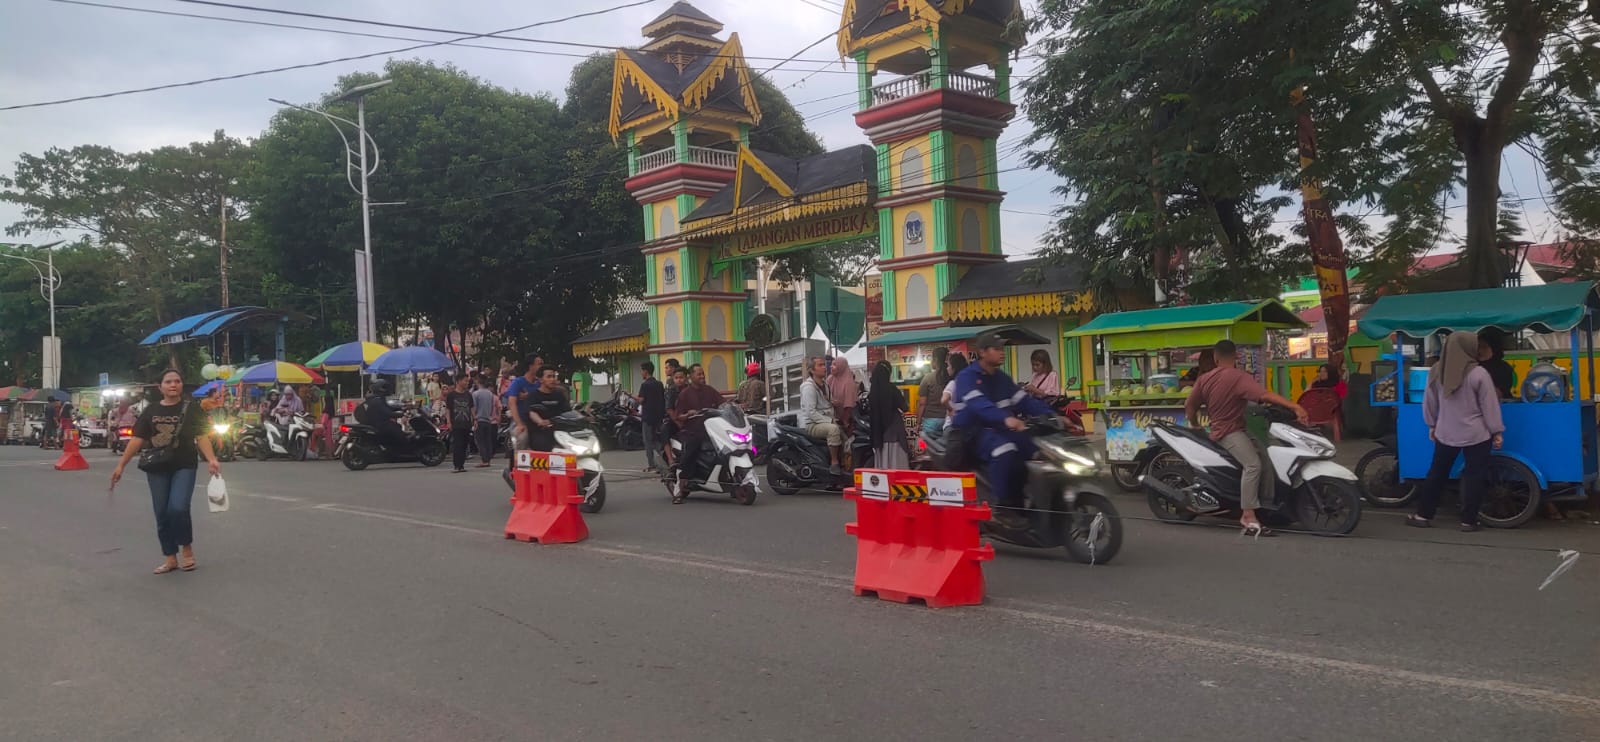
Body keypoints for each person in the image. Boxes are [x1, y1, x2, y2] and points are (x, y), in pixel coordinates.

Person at [1186, 339, 1309, 535]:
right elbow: (1265, 395)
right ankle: (1248, 514)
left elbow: (1189, 406)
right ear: (1235, 356)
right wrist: (1295, 406)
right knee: (1254, 465)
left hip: (1235, 429)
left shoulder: (1204, 379)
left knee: (1267, 460)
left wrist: (1194, 424)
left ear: (1216, 358)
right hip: (1227, 432)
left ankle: (1266, 506)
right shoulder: (1238, 377)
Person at [110, 368, 222, 574]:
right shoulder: (151, 410)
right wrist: (121, 466)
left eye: (177, 381)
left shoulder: (191, 408)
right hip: (157, 466)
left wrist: (212, 459)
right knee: (161, 512)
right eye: (168, 381)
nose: (173, 385)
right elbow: (138, 439)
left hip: (184, 464)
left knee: (178, 507)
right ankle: (170, 557)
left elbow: (201, 436)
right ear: (160, 387)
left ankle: (186, 547)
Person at [953, 333, 1057, 527]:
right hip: (973, 433)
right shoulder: (967, 377)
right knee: (1005, 450)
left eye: (1003, 349)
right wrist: (1006, 418)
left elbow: (1025, 401)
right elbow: (980, 405)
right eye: (997, 349)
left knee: (1035, 450)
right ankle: (1002, 507)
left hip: (998, 429)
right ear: (983, 352)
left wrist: (1055, 416)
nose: (1002, 353)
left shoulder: (1002, 379)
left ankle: (1025, 501)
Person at [1407, 331, 1504, 532]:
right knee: (1474, 476)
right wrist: (1496, 431)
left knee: (1437, 474)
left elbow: (1429, 402)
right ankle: (1468, 521)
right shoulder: (1479, 373)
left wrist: (1432, 424)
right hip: (1477, 434)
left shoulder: (1436, 370)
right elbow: (1489, 405)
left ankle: (1423, 515)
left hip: (1446, 431)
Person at [670, 363, 725, 503]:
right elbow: (678, 416)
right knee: (689, 455)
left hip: (712, 430)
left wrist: (735, 405)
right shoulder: (685, 394)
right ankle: (679, 488)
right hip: (692, 431)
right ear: (691, 376)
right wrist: (688, 414)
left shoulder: (709, 390)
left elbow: (723, 403)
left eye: (702, 373)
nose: (702, 376)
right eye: (699, 374)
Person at [799, 356, 845, 474]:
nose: (825, 367)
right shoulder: (808, 387)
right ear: (812, 370)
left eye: (824, 365)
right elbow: (811, 412)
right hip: (812, 424)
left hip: (824, 420)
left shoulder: (824, 384)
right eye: (820, 365)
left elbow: (825, 404)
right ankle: (834, 463)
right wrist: (830, 421)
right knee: (833, 429)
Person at [867, 360, 910, 469]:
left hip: (878, 433)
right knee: (896, 460)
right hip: (894, 429)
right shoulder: (891, 388)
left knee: (883, 460)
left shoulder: (872, 392)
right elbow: (905, 408)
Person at [523, 365, 571, 454]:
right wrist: (540, 421)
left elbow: (567, 412)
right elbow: (531, 412)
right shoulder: (533, 396)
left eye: (554, 376)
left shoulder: (559, 395)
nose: (552, 379)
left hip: (560, 432)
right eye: (549, 377)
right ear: (541, 380)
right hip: (540, 433)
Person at [503, 355, 544, 456]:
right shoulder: (518, 382)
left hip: (538, 422)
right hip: (521, 421)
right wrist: (519, 423)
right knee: (522, 437)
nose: (542, 367)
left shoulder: (540, 384)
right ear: (531, 366)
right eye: (539, 364)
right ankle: (519, 465)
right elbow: (511, 403)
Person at [637, 361, 666, 473]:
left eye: (642, 370)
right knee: (656, 440)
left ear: (645, 371)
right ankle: (666, 460)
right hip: (658, 417)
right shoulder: (659, 383)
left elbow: (641, 400)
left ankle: (652, 465)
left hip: (648, 417)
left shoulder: (645, 385)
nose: (641, 373)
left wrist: (630, 395)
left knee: (648, 441)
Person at [443, 374, 475, 472]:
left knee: (465, 444)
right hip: (455, 423)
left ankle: (461, 465)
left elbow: (472, 408)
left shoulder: (468, 395)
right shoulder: (451, 395)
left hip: (467, 423)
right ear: (458, 381)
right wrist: (448, 422)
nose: (467, 383)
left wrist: (475, 419)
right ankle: (457, 465)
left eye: (467, 381)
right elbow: (448, 409)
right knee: (458, 444)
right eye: (465, 381)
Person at [916, 347, 950, 434]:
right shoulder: (951, 378)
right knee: (945, 447)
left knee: (925, 446)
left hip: (930, 421)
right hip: (948, 420)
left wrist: (918, 423)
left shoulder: (928, 378)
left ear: (935, 360)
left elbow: (922, 404)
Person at [661, 365, 688, 468]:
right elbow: (669, 409)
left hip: (689, 418)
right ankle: (670, 459)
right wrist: (678, 423)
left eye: (681, 377)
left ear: (686, 378)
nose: (679, 380)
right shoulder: (671, 391)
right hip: (674, 420)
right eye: (676, 378)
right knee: (664, 430)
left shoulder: (690, 389)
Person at [1477, 332, 1516, 400]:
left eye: (1484, 347)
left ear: (1494, 348)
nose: (1480, 350)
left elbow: (1499, 392)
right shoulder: (1472, 367)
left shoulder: (1503, 368)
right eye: (1478, 347)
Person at [470, 376, 498, 467]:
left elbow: (473, 407)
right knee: (487, 440)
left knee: (480, 440)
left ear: (478, 382)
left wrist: (474, 418)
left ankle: (484, 460)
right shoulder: (490, 394)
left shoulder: (475, 394)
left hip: (479, 419)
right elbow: (491, 407)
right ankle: (488, 459)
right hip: (488, 419)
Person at [827, 358, 857, 436]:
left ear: (841, 367)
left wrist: (844, 422)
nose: (831, 367)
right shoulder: (830, 379)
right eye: (831, 364)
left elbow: (849, 406)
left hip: (846, 421)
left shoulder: (848, 383)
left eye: (834, 365)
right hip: (830, 417)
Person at [941, 352, 969, 429]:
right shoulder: (969, 383)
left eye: (949, 365)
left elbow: (944, 399)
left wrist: (950, 410)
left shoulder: (953, 383)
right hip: (967, 425)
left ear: (954, 368)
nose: (947, 368)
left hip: (952, 427)